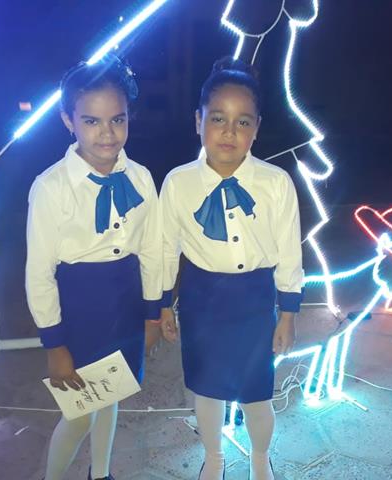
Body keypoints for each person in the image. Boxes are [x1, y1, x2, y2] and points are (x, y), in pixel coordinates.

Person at [160, 57, 304, 480]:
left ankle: (260, 459)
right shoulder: (178, 182)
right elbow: (166, 249)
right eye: (218, 118)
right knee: (207, 389)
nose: (229, 131)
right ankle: (215, 457)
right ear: (198, 121)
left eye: (243, 122)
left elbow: (289, 252)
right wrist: (163, 304)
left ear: (257, 128)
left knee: (257, 393)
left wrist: (288, 313)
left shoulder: (276, 183)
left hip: (255, 302)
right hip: (202, 301)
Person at [25, 55, 162, 480]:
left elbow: (152, 250)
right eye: (91, 121)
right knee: (80, 412)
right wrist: (55, 345)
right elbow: (39, 273)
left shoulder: (140, 177)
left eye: (117, 120)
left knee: (111, 394)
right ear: (68, 120)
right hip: (80, 313)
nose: (107, 133)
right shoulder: (51, 188)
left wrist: (152, 313)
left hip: (126, 305)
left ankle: (100, 473)